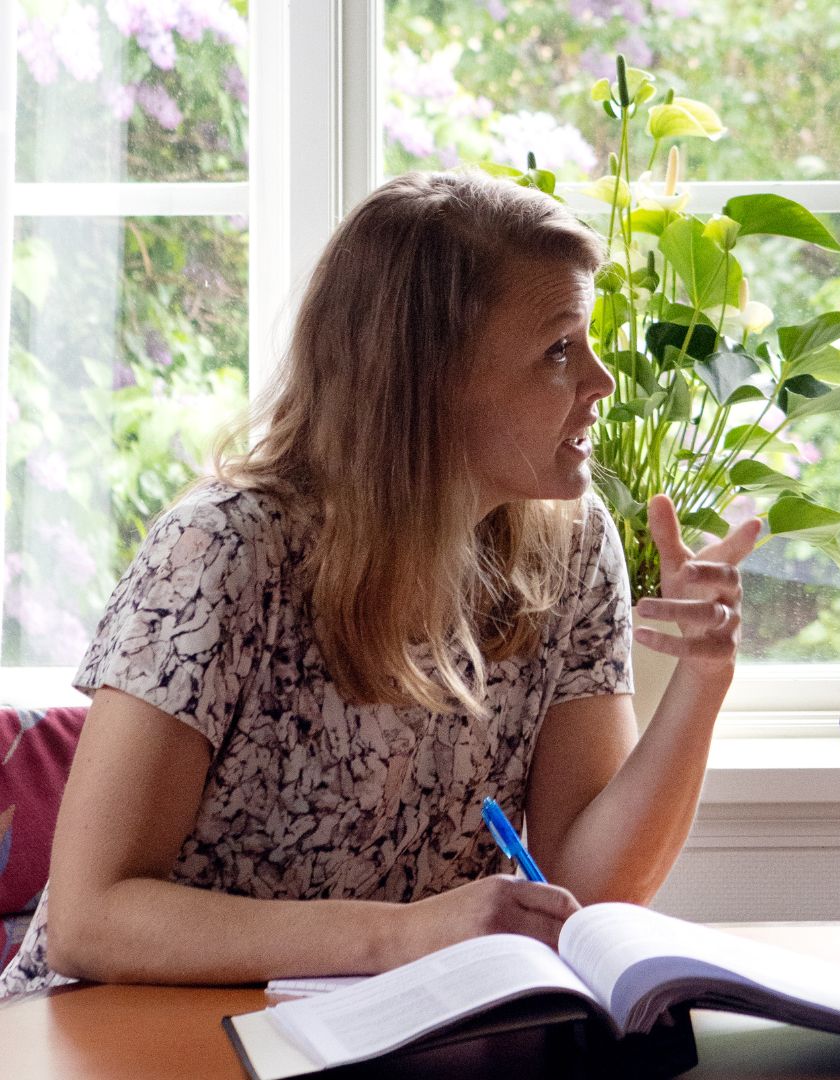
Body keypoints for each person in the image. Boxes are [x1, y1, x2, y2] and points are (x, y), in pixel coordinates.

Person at [0, 172, 758, 996]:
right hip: (118, 1035)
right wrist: (405, 935)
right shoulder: (222, 550)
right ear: (429, 379)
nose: (602, 382)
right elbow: (90, 921)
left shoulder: (571, 551)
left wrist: (702, 678)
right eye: (560, 350)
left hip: (374, 1030)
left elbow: (582, 890)